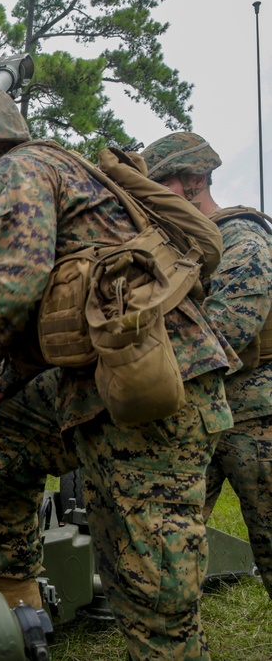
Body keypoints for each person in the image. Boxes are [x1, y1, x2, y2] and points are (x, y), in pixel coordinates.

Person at [0, 82, 235, 660]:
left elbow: (11, 289)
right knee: (5, 438)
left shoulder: (20, 170)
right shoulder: (48, 168)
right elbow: (55, 306)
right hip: (100, 385)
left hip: (156, 392)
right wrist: (7, 379)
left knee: (150, 589)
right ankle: (11, 578)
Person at [142, 131, 272, 600]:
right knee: (172, 544)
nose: (155, 198)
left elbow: (232, 323)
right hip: (200, 414)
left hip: (255, 416)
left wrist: (149, 368)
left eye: (163, 186)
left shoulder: (240, 235)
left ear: (195, 179)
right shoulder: (177, 250)